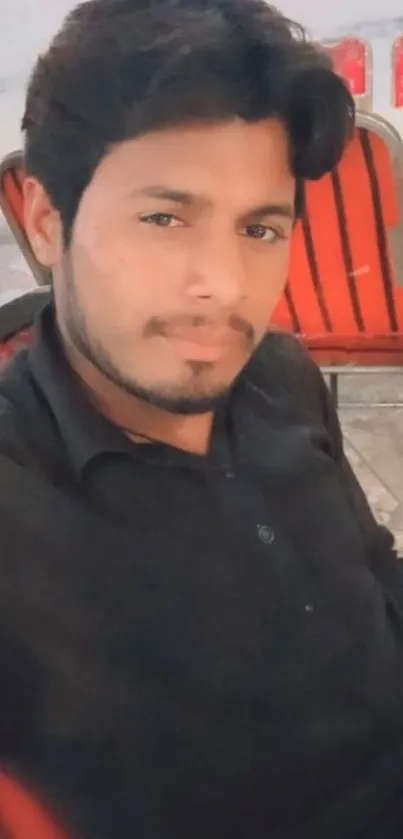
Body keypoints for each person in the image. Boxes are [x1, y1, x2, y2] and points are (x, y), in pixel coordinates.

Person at [0, 0, 403, 837]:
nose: (222, 284)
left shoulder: (280, 374)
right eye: (164, 217)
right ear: (46, 219)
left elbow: (375, 579)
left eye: (259, 228)